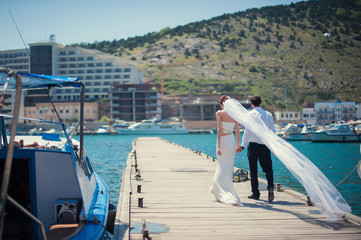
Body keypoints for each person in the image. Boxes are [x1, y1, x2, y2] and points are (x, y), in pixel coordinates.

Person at [237, 96, 276, 202]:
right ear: (260, 103)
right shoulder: (268, 114)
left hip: (253, 146)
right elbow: (272, 131)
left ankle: (256, 193)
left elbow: (247, 132)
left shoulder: (249, 115)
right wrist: (274, 148)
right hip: (265, 146)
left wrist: (242, 146)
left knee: (253, 170)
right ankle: (270, 187)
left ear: (251, 103)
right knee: (268, 170)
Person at [210, 95, 242, 206]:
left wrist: (218, 146)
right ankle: (225, 188)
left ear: (221, 104)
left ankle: (219, 189)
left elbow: (219, 130)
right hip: (231, 141)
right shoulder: (234, 114)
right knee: (228, 167)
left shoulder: (219, 113)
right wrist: (238, 145)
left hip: (223, 141)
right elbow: (237, 130)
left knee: (221, 165)